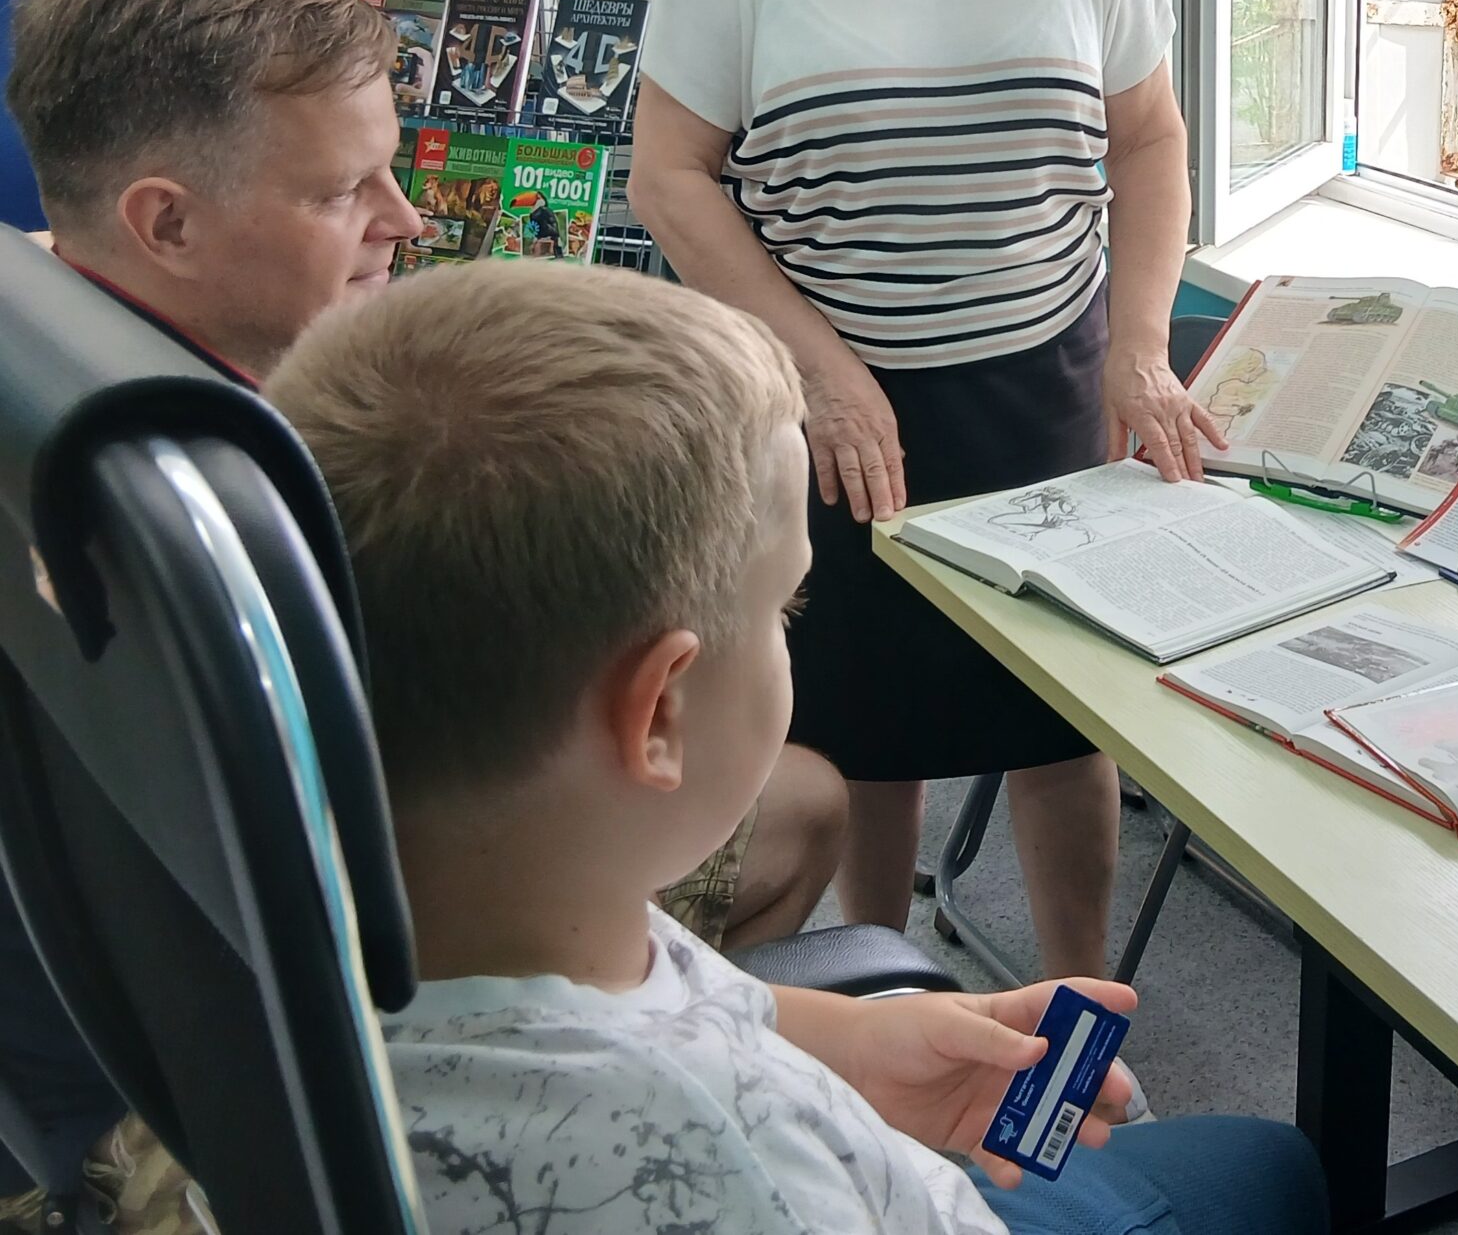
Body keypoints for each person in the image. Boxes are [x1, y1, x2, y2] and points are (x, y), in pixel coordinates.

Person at [0, 0, 844, 1232]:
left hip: (119, 1027)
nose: (403, 219)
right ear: (165, 222)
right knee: (801, 800)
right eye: (343, 192)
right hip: (207, 1113)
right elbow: (449, 911)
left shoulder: (42, 343)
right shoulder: (225, 517)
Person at [266, 261, 1325, 1235]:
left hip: (830, 1107)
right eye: (786, 606)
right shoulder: (731, 1164)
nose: (790, 630)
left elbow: (667, 993)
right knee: (1270, 1166)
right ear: (659, 714)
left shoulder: (438, 915)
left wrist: (856, 1048)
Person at [629, 0, 1221, 980]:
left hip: (1046, 383)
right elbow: (670, 174)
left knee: (1061, 721)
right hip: (834, 397)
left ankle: (1079, 1011)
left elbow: (1149, 139)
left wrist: (1141, 348)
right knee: (858, 731)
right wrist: (823, 372)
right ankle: (879, 988)